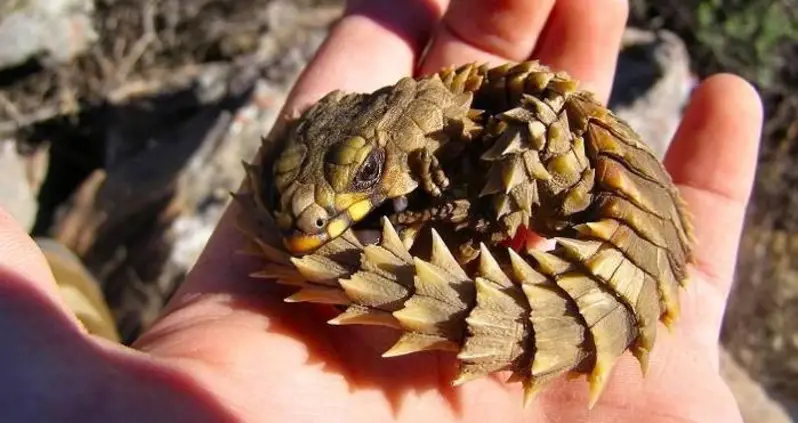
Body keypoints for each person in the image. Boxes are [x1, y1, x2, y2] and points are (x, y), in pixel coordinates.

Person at [0, 1, 763, 422]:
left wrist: (466, 213)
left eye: (367, 171)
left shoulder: (491, 123)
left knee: (529, 143)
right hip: (594, 268)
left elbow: (528, 165)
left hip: (620, 265)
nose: (311, 225)